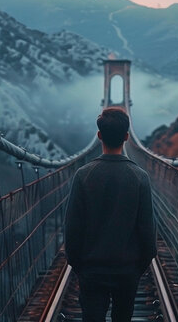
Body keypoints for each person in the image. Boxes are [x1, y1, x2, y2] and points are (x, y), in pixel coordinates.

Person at [64, 107, 157, 322]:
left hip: (92, 272)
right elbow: (147, 231)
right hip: (127, 272)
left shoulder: (83, 176)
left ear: (99, 136)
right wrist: (138, 268)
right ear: (126, 137)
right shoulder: (139, 177)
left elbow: (72, 229)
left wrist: (78, 266)